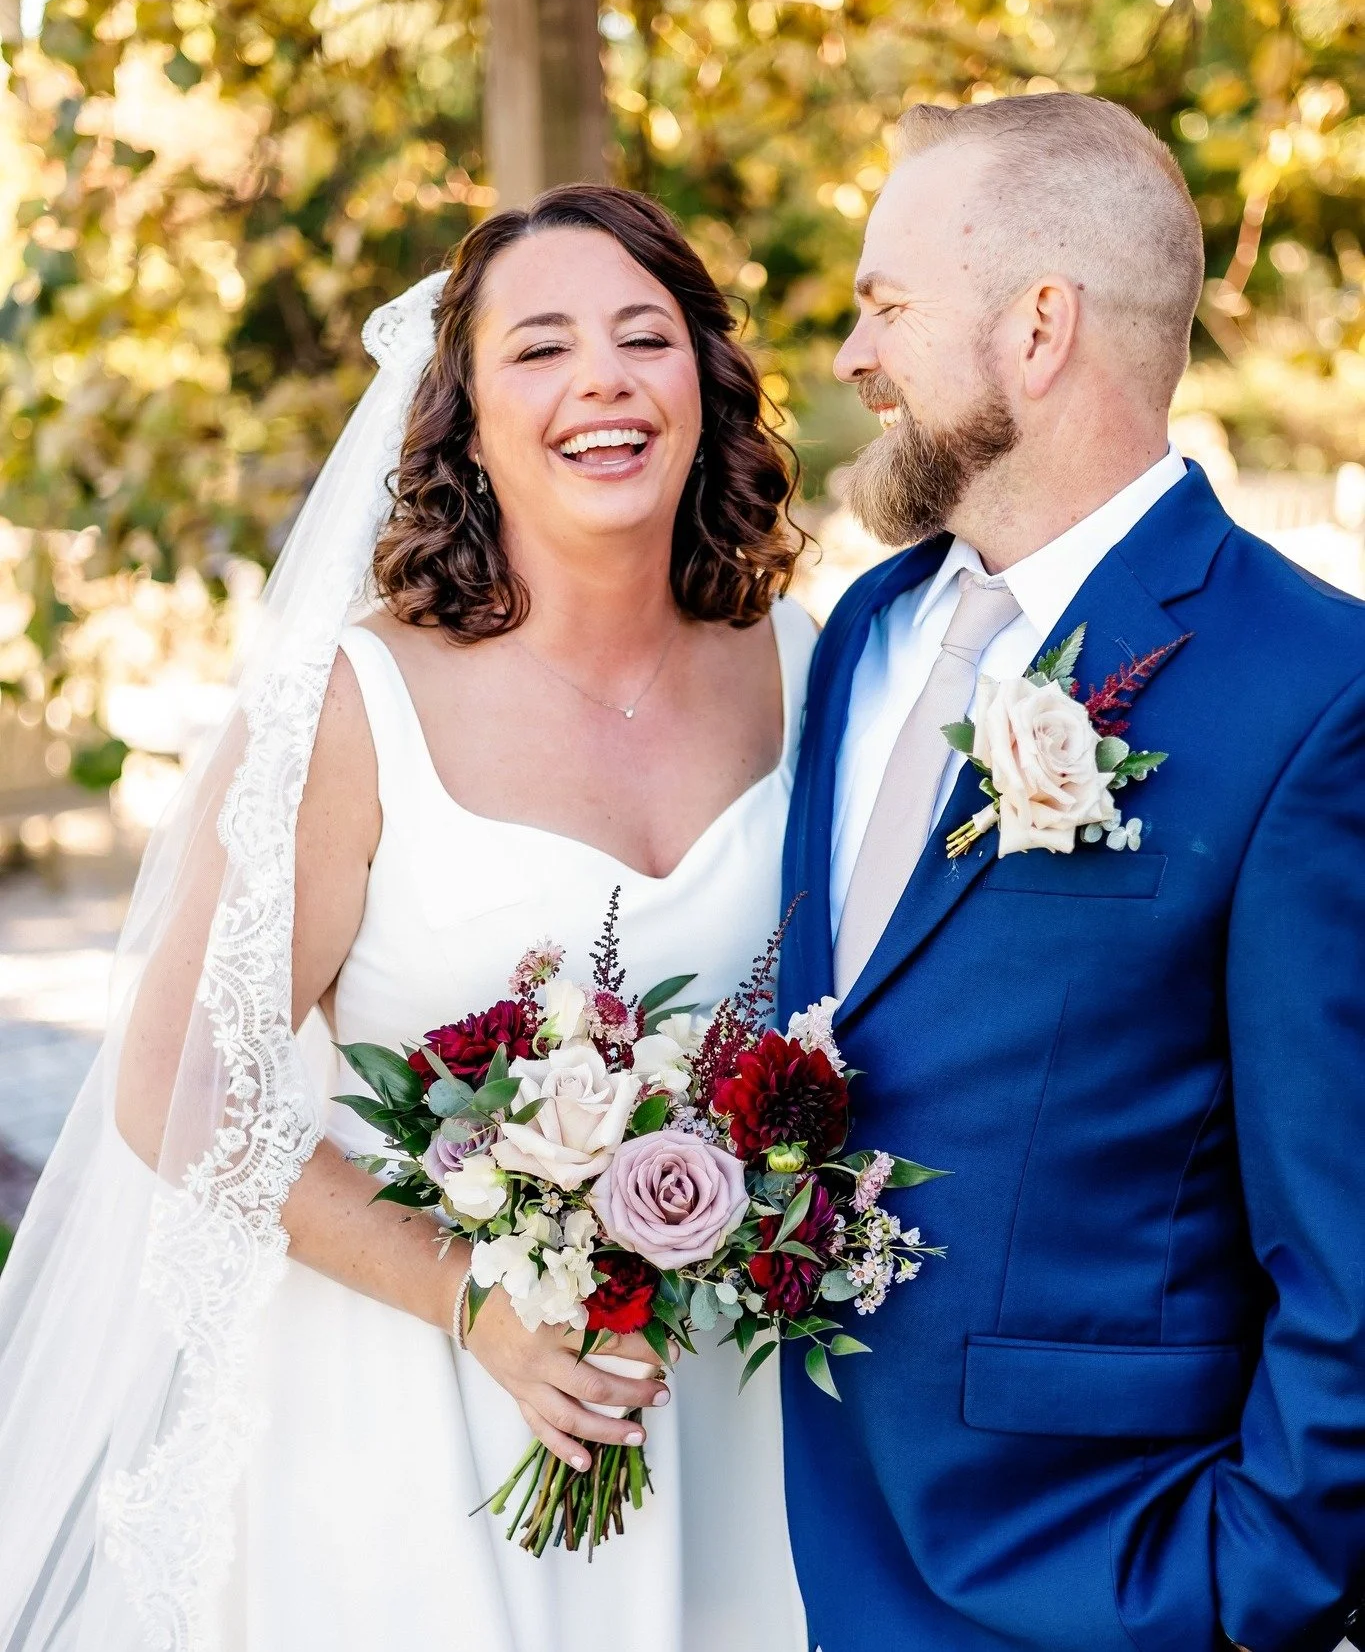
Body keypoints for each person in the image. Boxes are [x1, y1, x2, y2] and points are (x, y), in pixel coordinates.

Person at [0, 185, 812, 1652]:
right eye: (541, 349)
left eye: (648, 336)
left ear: (708, 381)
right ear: (465, 420)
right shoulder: (352, 705)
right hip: (413, 1429)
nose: (604, 383)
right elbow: (176, 1082)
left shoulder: (801, 662)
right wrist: (475, 1298)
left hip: (724, 1414)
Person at [778, 92, 1365, 1652]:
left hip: (1110, 1572)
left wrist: (1258, 1581)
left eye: (887, 304)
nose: (854, 356)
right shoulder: (864, 638)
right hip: (806, 1548)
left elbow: (1347, 1227)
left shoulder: (1311, 693)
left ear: (1039, 327)